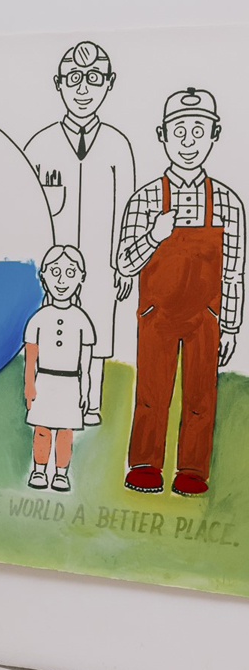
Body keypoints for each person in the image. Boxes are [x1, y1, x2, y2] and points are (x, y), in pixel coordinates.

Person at [116, 88, 244, 497]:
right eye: (179, 132)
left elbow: (236, 270)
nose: (188, 142)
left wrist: (234, 325)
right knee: (151, 393)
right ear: (163, 135)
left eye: (198, 131)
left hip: (206, 317)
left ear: (214, 134)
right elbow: (123, 263)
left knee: (201, 395)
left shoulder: (227, 203)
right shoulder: (145, 200)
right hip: (156, 314)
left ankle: (192, 470)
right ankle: (144, 464)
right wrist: (154, 235)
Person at [24, 41, 135, 427]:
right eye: (74, 79)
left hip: (102, 259)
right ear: (59, 84)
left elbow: (129, 213)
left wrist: (125, 264)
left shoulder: (119, 147)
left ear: (109, 83)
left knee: (98, 331)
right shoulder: (39, 146)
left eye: (93, 79)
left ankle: (90, 403)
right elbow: (28, 208)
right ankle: (40, 400)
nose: (83, 89)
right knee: (51, 327)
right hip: (51, 262)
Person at [23, 246, 95, 492]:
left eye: (69, 272)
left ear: (81, 277)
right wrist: (29, 386)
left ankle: (61, 474)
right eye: (55, 272)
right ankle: (39, 470)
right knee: (42, 430)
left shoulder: (82, 321)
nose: (62, 280)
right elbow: (30, 358)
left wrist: (86, 392)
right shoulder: (38, 319)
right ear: (44, 277)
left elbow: (86, 364)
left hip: (70, 384)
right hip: (44, 380)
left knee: (65, 433)